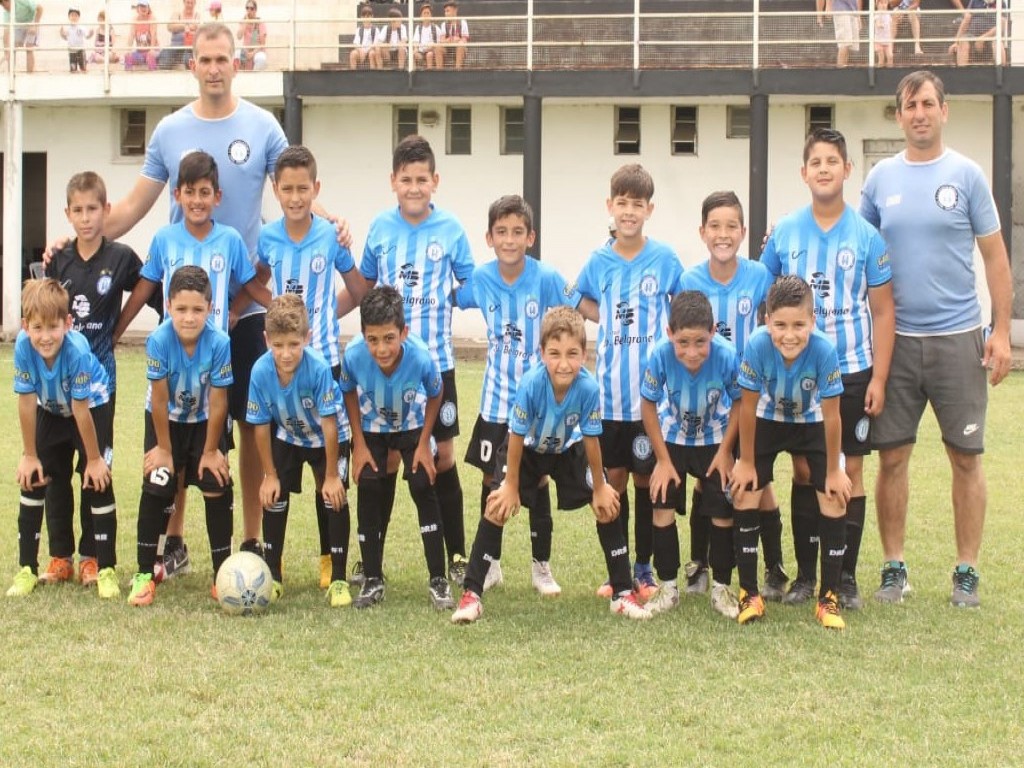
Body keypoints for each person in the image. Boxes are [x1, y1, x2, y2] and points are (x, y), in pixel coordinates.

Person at [859, 70, 1012, 608]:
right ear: (899, 115)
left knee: (966, 457)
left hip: (958, 340)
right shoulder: (880, 179)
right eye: (910, 105)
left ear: (944, 111)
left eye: (928, 103)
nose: (919, 113)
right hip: (896, 343)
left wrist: (1000, 332)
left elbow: (995, 256)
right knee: (892, 458)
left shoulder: (967, 175)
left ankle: (966, 570)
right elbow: (858, 251)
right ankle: (893, 567)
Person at [761, 128, 895, 611]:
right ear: (804, 172)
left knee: (848, 470)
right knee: (804, 470)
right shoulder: (785, 232)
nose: (823, 169)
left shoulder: (867, 236)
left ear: (847, 170)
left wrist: (879, 377)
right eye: (815, 162)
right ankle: (805, 576)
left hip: (853, 369)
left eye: (832, 161)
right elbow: (766, 296)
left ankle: (845, 579)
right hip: (797, 374)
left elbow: (883, 310)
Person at [453, 307, 651, 624]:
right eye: (555, 353)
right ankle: (472, 595)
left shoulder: (589, 388)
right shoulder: (532, 384)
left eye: (572, 354)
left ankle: (622, 593)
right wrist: (511, 485)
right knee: (496, 505)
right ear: (542, 352)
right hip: (527, 450)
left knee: (607, 505)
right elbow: (516, 436)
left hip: (567, 449)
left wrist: (600, 487)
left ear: (584, 354)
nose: (563, 363)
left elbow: (591, 440)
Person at [342, 135, 474, 587]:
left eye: (421, 179)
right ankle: (371, 561)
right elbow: (364, 289)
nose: (414, 187)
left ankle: (457, 555)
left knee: (442, 458)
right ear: (393, 182)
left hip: (434, 362)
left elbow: (470, 285)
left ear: (435, 180)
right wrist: (325, 312)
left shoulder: (451, 229)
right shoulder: (380, 228)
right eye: (406, 179)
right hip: (384, 365)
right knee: (386, 461)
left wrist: (449, 300)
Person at [455, 194, 582, 596]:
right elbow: (450, 296)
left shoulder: (546, 278)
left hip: (539, 404)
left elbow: (576, 313)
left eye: (517, 232)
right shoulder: (480, 279)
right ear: (489, 238)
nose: (509, 239)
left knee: (538, 479)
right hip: (496, 401)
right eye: (501, 232)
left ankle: (541, 566)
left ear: (530, 237)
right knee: (490, 479)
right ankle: (489, 564)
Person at [575, 163, 685, 602]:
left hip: (650, 401)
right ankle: (616, 571)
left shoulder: (666, 259)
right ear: (610, 206)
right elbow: (578, 297)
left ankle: (643, 568)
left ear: (649, 210)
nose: (629, 211)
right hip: (609, 399)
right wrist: (605, 316)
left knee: (646, 482)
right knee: (613, 481)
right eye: (622, 203)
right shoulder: (598, 261)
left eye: (637, 204)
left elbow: (684, 305)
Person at [41, 172, 156, 588]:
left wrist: (120, 326)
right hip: (56, 387)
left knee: (95, 467)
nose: (86, 217)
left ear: (106, 210)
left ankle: (92, 557)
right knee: (54, 470)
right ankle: (60, 557)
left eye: (93, 209)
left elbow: (152, 289)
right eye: (78, 210)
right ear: (68, 213)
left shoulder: (121, 257)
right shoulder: (58, 259)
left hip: (99, 385)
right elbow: (43, 312)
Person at [257, 145, 361, 589]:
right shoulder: (268, 238)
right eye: (287, 189)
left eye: (303, 188)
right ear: (275, 190)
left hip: (325, 365)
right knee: (281, 471)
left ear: (316, 189)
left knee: (328, 473)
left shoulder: (331, 236)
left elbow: (358, 289)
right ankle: (273, 565)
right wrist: (281, 316)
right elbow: (253, 283)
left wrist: (322, 319)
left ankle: (328, 561)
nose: (296, 197)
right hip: (284, 366)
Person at [677, 192, 783, 602]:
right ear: (702, 232)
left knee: (758, 481)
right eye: (715, 226)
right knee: (707, 480)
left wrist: (777, 239)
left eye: (731, 226)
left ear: (743, 232)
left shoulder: (759, 276)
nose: (723, 234)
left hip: (753, 401)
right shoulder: (689, 280)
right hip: (707, 402)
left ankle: (773, 567)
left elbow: (785, 308)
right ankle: (699, 563)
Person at [729, 275, 852, 630]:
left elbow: (833, 416)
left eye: (799, 325)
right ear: (767, 321)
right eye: (780, 325)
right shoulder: (757, 345)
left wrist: (833, 471)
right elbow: (747, 407)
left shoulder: (824, 350)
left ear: (812, 321)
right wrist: (746, 462)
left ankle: (828, 598)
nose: (789, 335)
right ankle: (749, 594)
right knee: (744, 489)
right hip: (768, 418)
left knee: (834, 495)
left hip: (811, 421)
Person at [338, 285, 454, 611]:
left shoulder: (420, 356)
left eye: (389, 338)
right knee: (368, 485)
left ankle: (438, 579)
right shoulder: (354, 355)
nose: (381, 348)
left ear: (404, 332)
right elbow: (347, 391)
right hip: (372, 426)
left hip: (412, 425)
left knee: (422, 483)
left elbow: (436, 393)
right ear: (363, 335)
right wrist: (359, 444)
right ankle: (372, 577)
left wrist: (424, 442)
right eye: (373, 339)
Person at [126, 267, 235, 607]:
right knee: (158, 484)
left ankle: (222, 575)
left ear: (210, 308)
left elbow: (219, 402)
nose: (189, 317)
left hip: (204, 421)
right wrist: (163, 448)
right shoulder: (159, 340)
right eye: (182, 309)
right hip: (166, 422)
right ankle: (144, 574)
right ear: (168, 306)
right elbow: (159, 400)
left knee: (217, 483)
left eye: (198, 309)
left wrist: (211, 451)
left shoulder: (220, 342)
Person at [7, 279, 118, 600]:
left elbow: (80, 409)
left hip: (91, 406)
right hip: (51, 408)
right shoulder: (23, 347)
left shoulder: (77, 351)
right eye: (37, 328)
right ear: (26, 326)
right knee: (37, 477)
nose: (45, 336)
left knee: (96, 480)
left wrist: (94, 460)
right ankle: (43, 564)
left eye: (53, 327)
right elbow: (26, 402)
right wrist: (30, 455)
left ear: (68, 323)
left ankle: (100, 564)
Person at [640, 291, 742, 620]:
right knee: (661, 504)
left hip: (715, 437)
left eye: (700, 341)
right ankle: (668, 587)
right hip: (672, 438)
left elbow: (740, 402)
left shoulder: (726, 355)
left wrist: (726, 452)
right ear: (669, 333)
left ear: (713, 331)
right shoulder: (660, 354)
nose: (692, 352)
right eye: (683, 342)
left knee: (723, 509)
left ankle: (721, 588)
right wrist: (662, 460)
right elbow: (648, 404)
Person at [248, 294, 352, 607]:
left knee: (333, 497)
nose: (286, 353)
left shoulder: (318, 369)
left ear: (307, 338)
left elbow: (330, 424)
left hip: (327, 438)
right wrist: (269, 475)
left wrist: (331, 476)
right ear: (267, 340)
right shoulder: (260, 372)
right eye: (278, 345)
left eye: (294, 344)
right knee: (273, 495)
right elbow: (260, 425)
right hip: (289, 434)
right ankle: (273, 574)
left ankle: (336, 575)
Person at [0, 0, 43, 73]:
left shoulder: (22, 1)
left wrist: (35, 25)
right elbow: (6, 33)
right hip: (20, 24)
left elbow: (40, 8)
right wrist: (6, 52)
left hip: (32, 22)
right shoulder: (6, 12)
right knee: (12, 47)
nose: (4, 8)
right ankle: (11, 73)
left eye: (4, 5)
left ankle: (30, 73)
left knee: (29, 47)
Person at [158, 0, 200, 70]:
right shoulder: (177, 14)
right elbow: (170, 26)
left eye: (192, 3)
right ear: (184, 2)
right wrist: (185, 26)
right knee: (164, 62)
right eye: (188, 2)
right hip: (176, 45)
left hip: (190, 47)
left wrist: (193, 28)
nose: (190, 5)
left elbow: (200, 28)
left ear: (195, 3)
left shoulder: (197, 15)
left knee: (188, 60)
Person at [124, 0, 159, 71]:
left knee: (150, 56)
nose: (144, 8)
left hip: (152, 51)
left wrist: (152, 50)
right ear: (137, 8)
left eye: (145, 6)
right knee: (128, 56)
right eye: (141, 6)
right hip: (140, 52)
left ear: (148, 8)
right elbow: (131, 35)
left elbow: (153, 35)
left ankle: (153, 74)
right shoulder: (135, 19)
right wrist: (128, 50)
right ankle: (128, 75)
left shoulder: (152, 18)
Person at [827, 0, 862, 68]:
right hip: (841, 10)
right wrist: (828, 6)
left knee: (849, 45)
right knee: (844, 43)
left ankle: (844, 69)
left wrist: (858, 15)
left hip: (853, 11)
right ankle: (840, 71)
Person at [236, 0, 267, 70]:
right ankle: (240, 75)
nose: (249, 10)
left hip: (257, 51)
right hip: (245, 51)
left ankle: (255, 76)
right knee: (236, 55)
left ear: (255, 10)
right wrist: (245, 22)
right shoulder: (243, 21)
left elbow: (262, 44)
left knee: (261, 59)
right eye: (247, 8)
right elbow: (239, 37)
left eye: (251, 8)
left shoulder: (260, 23)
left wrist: (252, 53)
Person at [439, 0, 468, 69]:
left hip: (460, 48)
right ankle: (439, 72)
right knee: (438, 47)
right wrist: (448, 40)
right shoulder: (443, 24)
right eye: (445, 11)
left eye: (448, 11)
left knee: (461, 44)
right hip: (447, 48)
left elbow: (465, 40)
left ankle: (457, 70)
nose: (445, 14)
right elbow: (442, 41)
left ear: (455, 10)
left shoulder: (463, 22)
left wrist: (458, 40)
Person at [61, 7, 91, 72]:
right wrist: (61, 33)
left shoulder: (81, 27)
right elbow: (65, 38)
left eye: (76, 15)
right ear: (69, 17)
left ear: (79, 17)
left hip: (81, 49)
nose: (74, 17)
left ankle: (84, 65)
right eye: (72, 15)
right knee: (73, 70)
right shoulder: (67, 28)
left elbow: (87, 37)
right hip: (71, 50)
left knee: (83, 68)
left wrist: (91, 33)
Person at [351, 4, 381, 70]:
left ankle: (373, 73)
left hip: (371, 50)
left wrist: (367, 51)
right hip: (361, 51)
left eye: (368, 16)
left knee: (372, 53)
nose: (366, 18)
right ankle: (353, 74)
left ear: (372, 17)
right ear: (361, 17)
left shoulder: (375, 29)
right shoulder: (359, 29)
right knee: (353, 54)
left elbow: (376, 44)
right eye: (364, 16)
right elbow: (355, 43)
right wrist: (360, 50)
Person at [413, 2, 441, 70]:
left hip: (432, 51)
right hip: (421, 52)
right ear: (421, 16)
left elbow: (439, 43)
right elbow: (415, 41)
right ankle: (413, 73)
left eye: (428, 13)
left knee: (429, 55)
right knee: (413, 54)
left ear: (431, 16)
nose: (426, 15)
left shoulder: (436, 28)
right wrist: (415, 50)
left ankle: (429, 73)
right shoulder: (418, 28)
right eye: (424, 13)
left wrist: (431, 48)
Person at [874, 0, 894, 66]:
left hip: (887, 40)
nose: (883, 5)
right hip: (879, 41)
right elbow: (877, 23)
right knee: (881, 58)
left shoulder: (888, 15)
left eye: (885, 3)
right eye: (881, 3)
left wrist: (891, 39)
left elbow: (891, 26)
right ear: (877, 5)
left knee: (890, 57)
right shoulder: (877, 14)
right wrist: (879, 25)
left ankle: (890, 69)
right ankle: (880, 69)